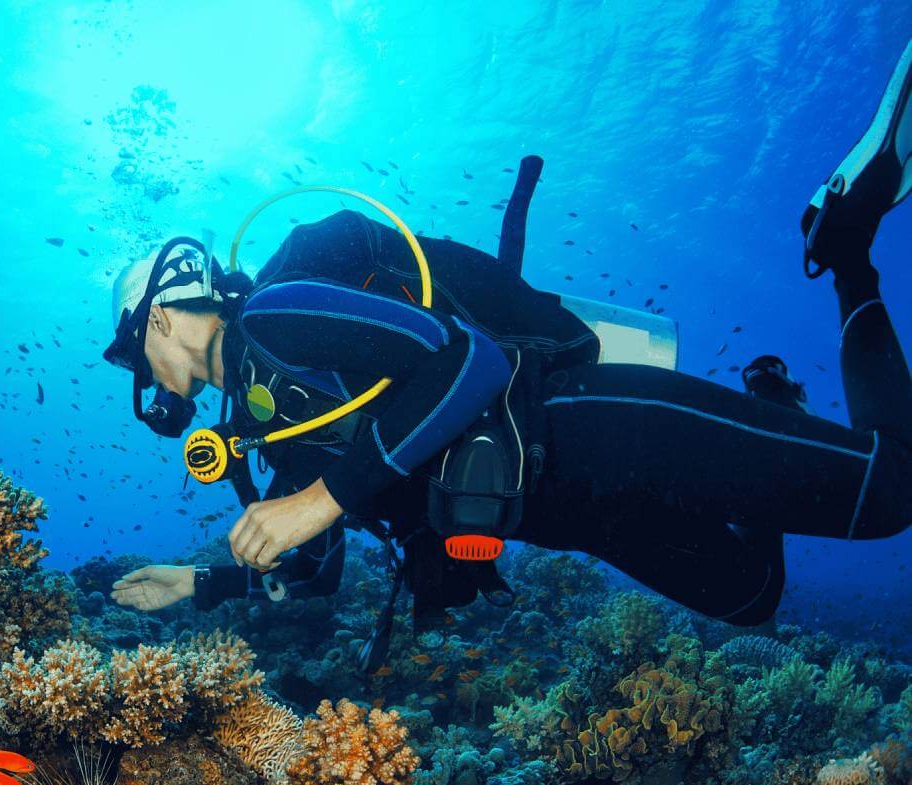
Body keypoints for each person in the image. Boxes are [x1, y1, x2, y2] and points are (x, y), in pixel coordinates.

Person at [103, 37, 912, 651]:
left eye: (137, 355)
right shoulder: (262, 429)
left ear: (163, 318)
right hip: (579, 519)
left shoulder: (276, 318)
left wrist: (315, 502)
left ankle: (844, 251)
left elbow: (468, 360)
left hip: (588, 428)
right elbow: (315, 568)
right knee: (754, 596)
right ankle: (775, 398)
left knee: (893, 493)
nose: (146, 381)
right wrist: (201, 582)